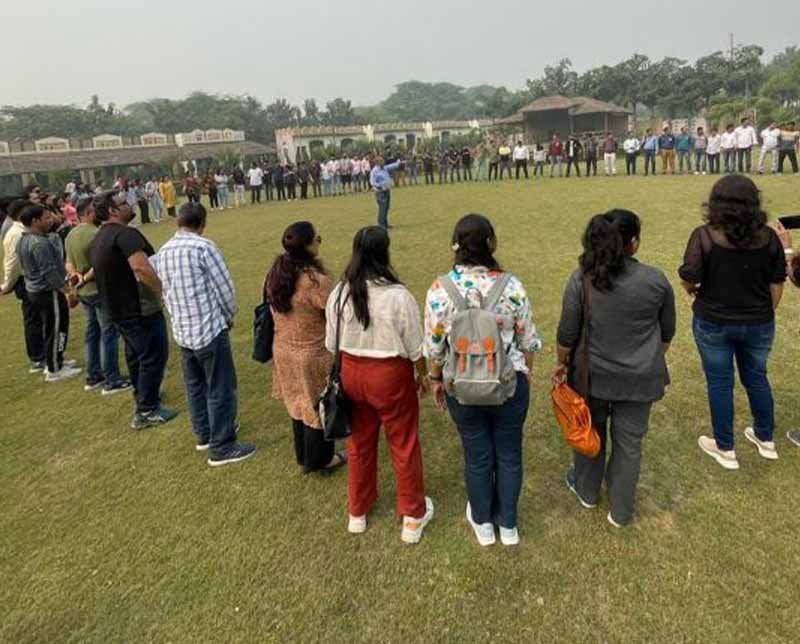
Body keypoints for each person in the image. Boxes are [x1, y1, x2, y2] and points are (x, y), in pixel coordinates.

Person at [424, 214, 542, 546]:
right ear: (491, 243)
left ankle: (483, 523)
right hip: (509, 382)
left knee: (477, 455)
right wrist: (527, 372)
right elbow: (528, 340)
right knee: (509, 453)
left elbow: (434, 346)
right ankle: (508, 524)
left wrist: (435, 379)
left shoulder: (440, 289)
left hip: (462, 386)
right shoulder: (511, 285)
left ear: (455, 245)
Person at [555, 210, 675, 527]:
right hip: (640, 380)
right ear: (633, 243)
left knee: (589, 432)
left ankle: (587, 491)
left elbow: (567, 334)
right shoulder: (656, 280)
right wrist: (645, 359)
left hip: (592, 377)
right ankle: (621, 511)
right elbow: (666, 333)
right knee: (629, 445)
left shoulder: (581, 278)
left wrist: (561, 363)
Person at [326, 226, 433, 544]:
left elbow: (331, 344)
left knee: (358, 444)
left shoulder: (340, 292)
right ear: (385, 252)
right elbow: (416, 348)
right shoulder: (398, 296)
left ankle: (357, 512)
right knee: (404, 442)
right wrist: (422, 376)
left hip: (351, 372)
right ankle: (412, 516)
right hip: (389, 375)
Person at [678, 175, 786, 470]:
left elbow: (688, 276)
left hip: (713, 322)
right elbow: (777, 283)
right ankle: (765, 438)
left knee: (720, 382)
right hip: (758, 322)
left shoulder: (704, 236)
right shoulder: (769, 238)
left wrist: (692, 292)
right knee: (757, 377)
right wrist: (765, 312)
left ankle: (725, 447)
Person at [151, 202, 254, 465]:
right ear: (202, 223)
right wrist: (228, 316)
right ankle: (222, 446)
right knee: (220, 386)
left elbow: (163, 290)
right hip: (208, 328)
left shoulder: (163, 252)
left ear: (178, 222)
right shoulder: (203, 247)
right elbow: (224, 288)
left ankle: (205, 433)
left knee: (195, 385)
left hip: (183, 330)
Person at [90, 190, 176, 430]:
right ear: (112, 211)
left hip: (117, 309)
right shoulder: (126, 235)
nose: (130, 204)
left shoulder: (100, 237)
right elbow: (141, 268)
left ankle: (144, 395)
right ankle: (146, 409)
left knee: (136, 355)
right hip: (139, 308)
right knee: (153, 355)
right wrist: (163, 291)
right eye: (123, 203)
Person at [266, 221, 346, 474]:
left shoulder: (276, 274)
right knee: (317, 405)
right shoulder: (314, 281)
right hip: (312, 353)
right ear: (308, 246)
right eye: (317, 239)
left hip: (284, 350)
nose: (319, 242)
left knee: (298, 403)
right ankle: (320, 459)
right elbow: (336, 313)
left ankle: (304, 456)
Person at [64, 196, 130, 395]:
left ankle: (94, 376)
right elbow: (100, 263)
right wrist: (85, 277)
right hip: (99, 289)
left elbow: (68, 262)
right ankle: (112, 379)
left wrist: (77, 277)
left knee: (92, 332)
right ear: (88, 213)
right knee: (108, 333)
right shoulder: (96, 234)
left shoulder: (71, 234)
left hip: (84, 292)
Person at [16, 204, 81, 382]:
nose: (51, 220)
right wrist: (66, 290)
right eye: (46, 218)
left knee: (51, 328)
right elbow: (49, 271)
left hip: (35, 290)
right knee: (57, 329)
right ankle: (54, 369)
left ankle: (56, 359)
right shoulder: (39, 243)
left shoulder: (23, 240)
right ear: (35, 221)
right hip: (47, 291)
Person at [0, 198, 45, 372]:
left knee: (39, 318)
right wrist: (7, 285)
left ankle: (45, 354)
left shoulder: (22, 230)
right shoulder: (17, 234)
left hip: (29, 279)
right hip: (24, 280)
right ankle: (38, 357)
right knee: (33, 319)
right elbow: (12, 263)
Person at [370, 156, 402, 229]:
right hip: (380, 192)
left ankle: (385, 224)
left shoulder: (384, 168)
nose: (383, 162)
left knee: (386, 208)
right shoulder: (374, 171)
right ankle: (381, 225)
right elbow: (372, 182)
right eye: (381, 161)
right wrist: (380, 186)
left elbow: (393, 166)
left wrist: (399, 161)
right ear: (377, 162)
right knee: (382, 208)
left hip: (386, 191)